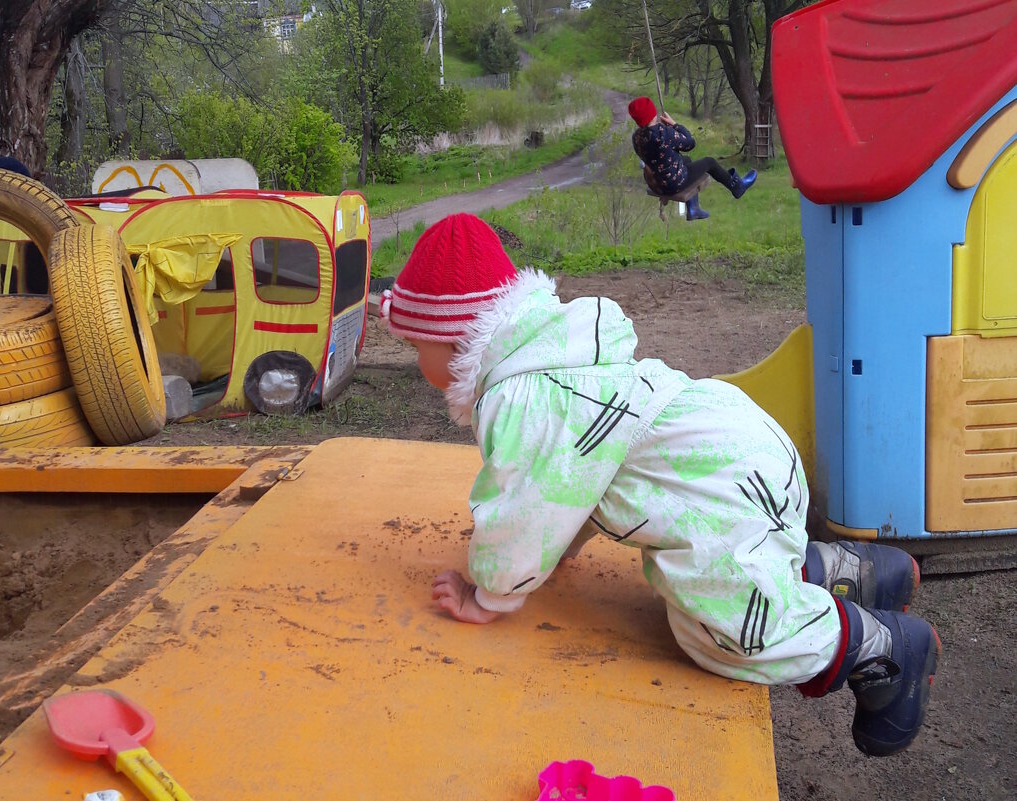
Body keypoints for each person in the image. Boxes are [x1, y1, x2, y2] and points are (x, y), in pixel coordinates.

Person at [378, 213, 940, 758]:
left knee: (719, 632)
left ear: (452, 338)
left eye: (414, 344)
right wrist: (561, 550)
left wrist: (490, 595)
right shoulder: (557, 357)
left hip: (725, 488)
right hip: (742, 454)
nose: (415, 358)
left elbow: (528, 508)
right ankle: (842, 570)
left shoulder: (523, 399)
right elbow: (576, 476)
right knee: (733, 559)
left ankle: (879, 646)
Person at [628, 96, 756, 221]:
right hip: (672, 183)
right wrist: (675, 125)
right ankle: (737, 187)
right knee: (709, 162)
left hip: (655, 182)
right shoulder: (663, 133)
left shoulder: (637, 137)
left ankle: (693, 209)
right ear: (653, 114)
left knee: (687, 160)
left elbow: (659, 155)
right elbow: (690, 143)